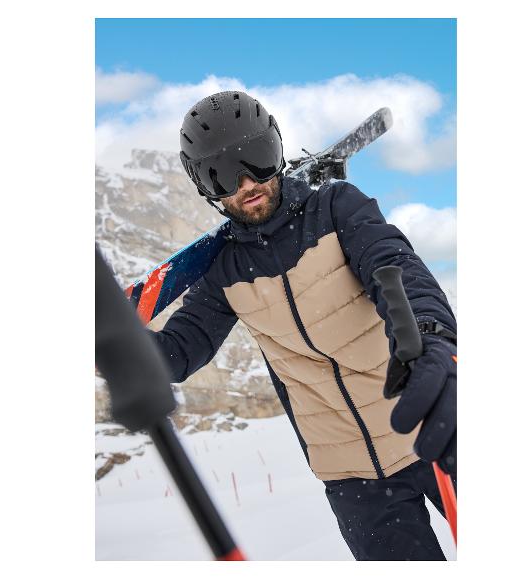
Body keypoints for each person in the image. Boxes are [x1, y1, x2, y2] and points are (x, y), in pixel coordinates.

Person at [153, 91, 457, 560]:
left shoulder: (338, 209)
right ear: (203, 186)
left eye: (256, 158)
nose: (246, 182)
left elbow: (396, 267)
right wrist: (112, 347)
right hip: (353, 479)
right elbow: (177, 352)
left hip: (425, 426)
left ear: (277, 149)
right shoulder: (223, 272)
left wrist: (431, 338)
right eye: (221, 174)